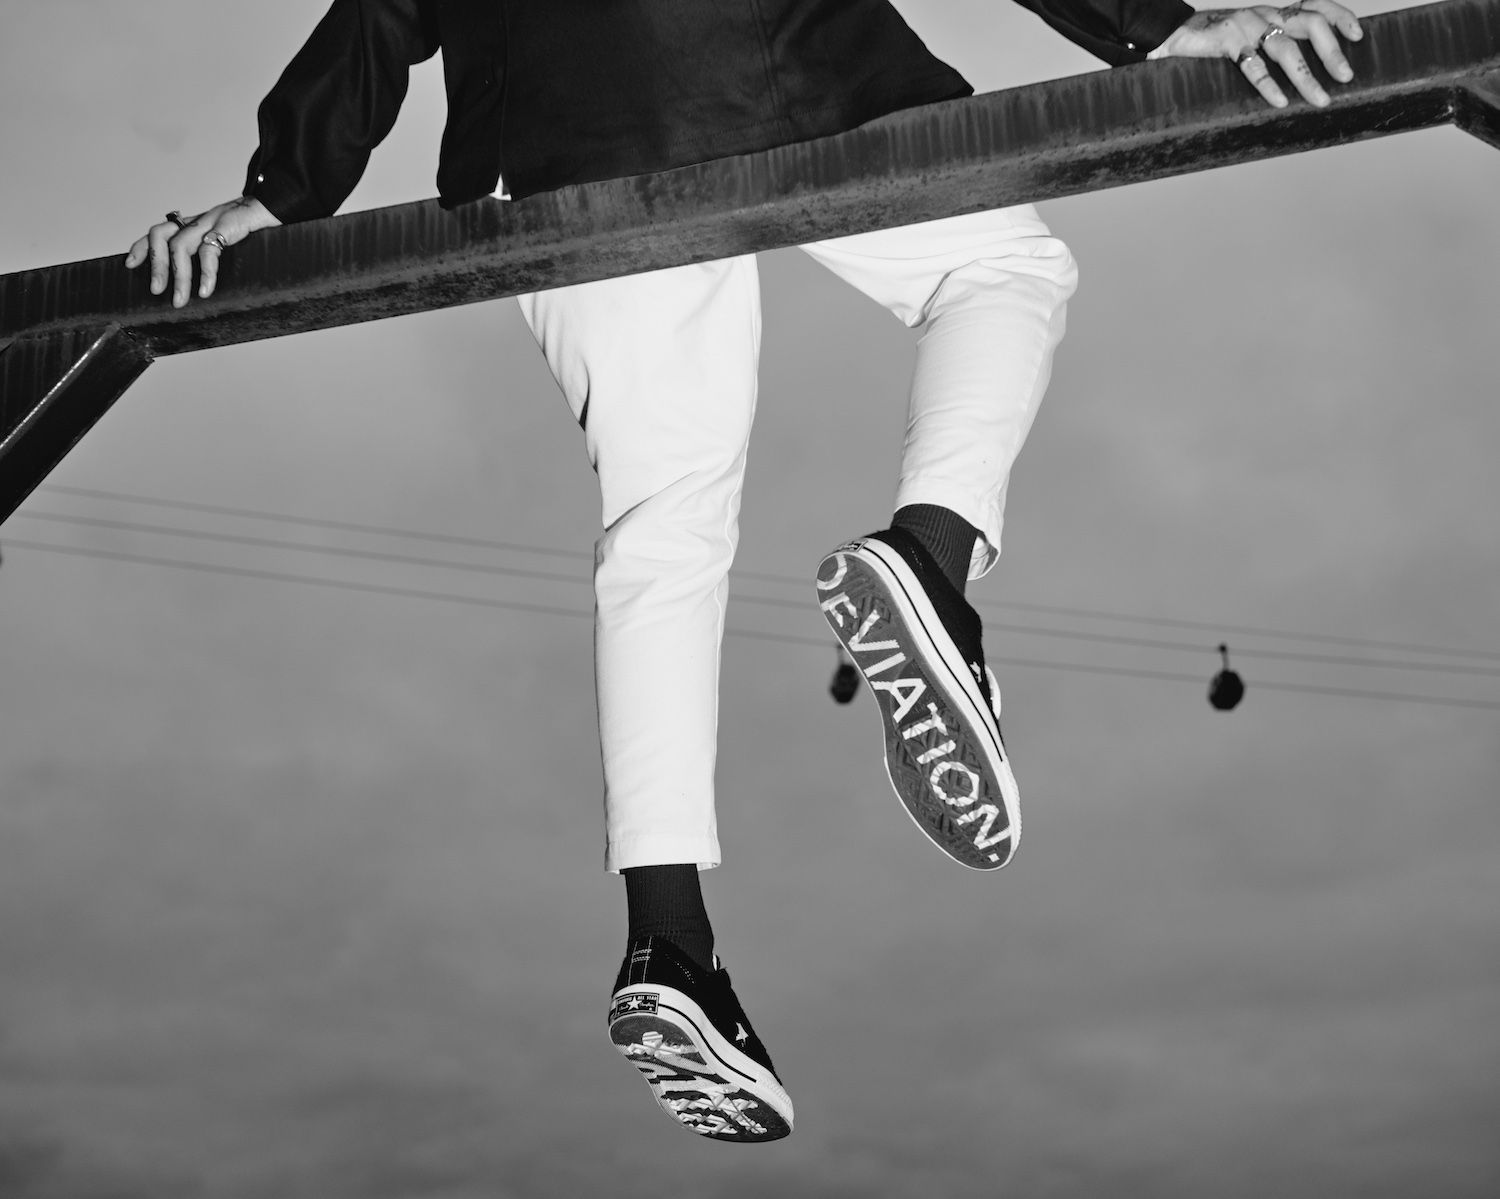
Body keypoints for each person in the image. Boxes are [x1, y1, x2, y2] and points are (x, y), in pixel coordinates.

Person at [127, 0, 1364, 1143]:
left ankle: (667, 939)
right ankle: (930, 561)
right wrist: (1161, 27)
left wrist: (281, 190)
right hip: (779, 60)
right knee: (1001, 272)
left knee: (661, 526)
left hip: (550, 138)